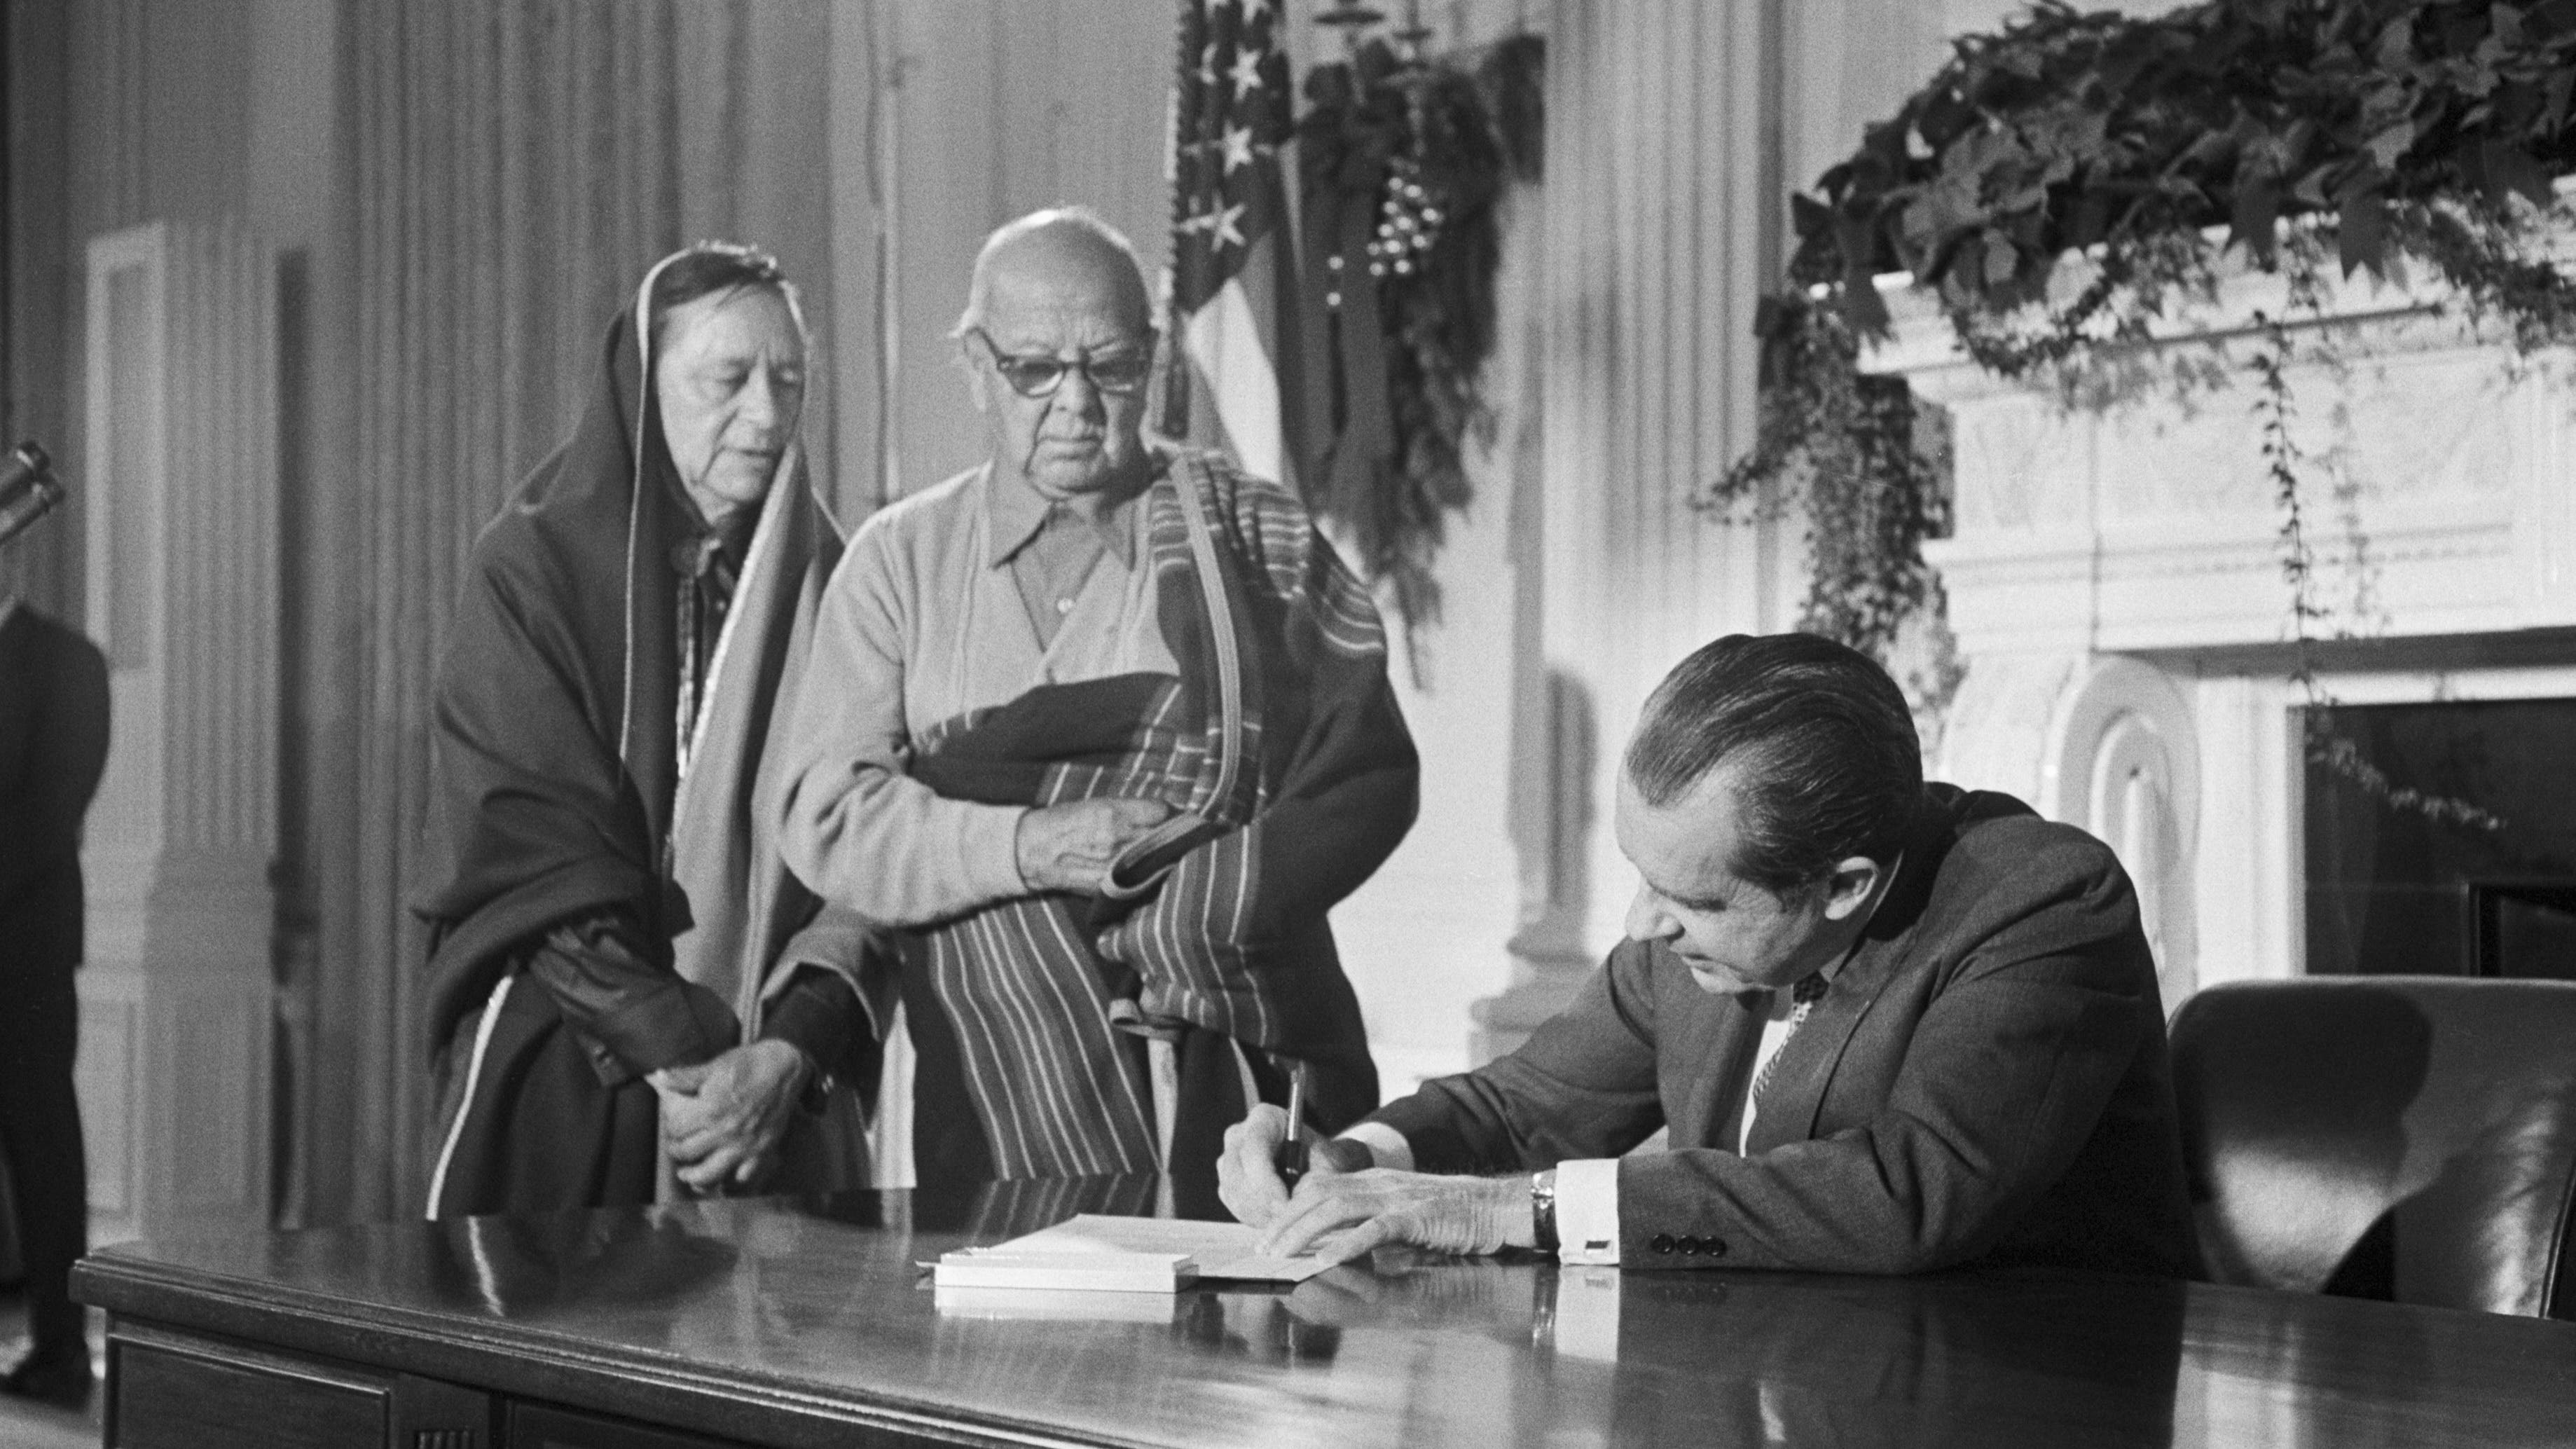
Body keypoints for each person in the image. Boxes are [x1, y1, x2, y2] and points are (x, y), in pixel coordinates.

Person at [774, 207, 1417, 1210]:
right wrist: (1035, 844)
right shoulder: (898, 562)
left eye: (1109, 365)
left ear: (1156, 361)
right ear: (976, 365)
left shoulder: (1253, 541)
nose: (1074, 402)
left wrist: (1203, 911)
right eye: (1034, 369)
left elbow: (1366, 777)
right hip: (999, 1087)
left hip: (1243, 1081)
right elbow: (830, 819)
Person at [1222, 632, 2199, 1278]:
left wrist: (1503, 1213)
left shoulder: (2039, 905)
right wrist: (1356, 1161)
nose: (1645, 923)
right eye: (1642, 877)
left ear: (1845, 886)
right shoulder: (1692, 928)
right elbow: (1523, 1104)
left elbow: (1905, 1193)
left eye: (1691, 898)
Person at [420, 243, 871, 1218]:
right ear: (641, 386)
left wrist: (787, 1056)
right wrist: (699, 1067)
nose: (764, 413)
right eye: (728, 379)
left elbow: (869, 854)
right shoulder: (530, 568)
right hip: (581, 1056)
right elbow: (533, 852)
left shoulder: (841, 585)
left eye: (788, 381)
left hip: (777, 1075)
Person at [0, 556, 110, 1407]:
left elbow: (50, 813)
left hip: (25, 953)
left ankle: (61, 1351)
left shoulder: (69, 662)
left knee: (42, 1153)